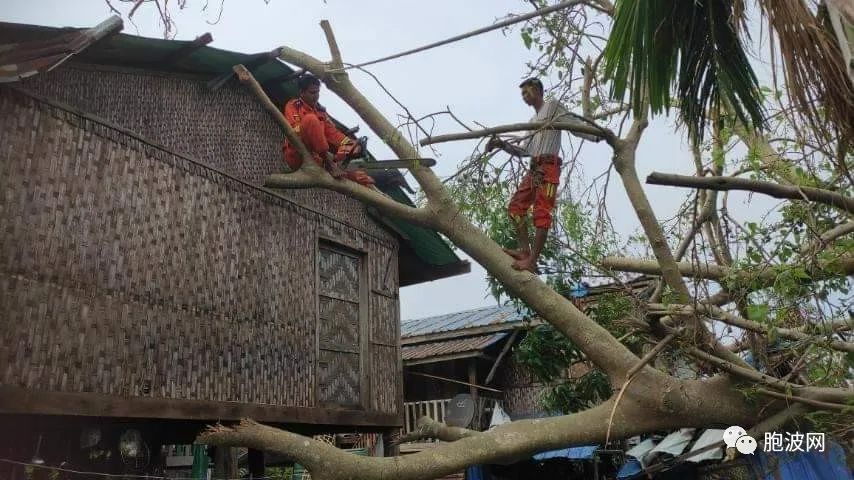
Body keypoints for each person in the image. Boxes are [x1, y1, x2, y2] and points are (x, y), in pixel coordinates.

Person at [486, 77, 587, 273]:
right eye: (522, 94)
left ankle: (532, 260)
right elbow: (524, 151)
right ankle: (525, 251)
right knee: (515, 208)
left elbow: (574, 124)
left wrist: (596, 135)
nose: (524, 96)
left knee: (542, 213)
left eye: (527, 92)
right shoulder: (532, 122)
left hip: (549, 167)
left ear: (538, 90)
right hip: (534, 169)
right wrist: (501, 144)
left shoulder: (552, 106)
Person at [282, 74, 375, 186]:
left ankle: (371, 184)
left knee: (356, 170)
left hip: (316, 158)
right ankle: (330, 163)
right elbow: (295, 130)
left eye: (317, 92)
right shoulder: (293, 105)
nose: (316, 96)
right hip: (296, 154)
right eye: (312, 92)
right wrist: (323, 150)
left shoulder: (321, 114)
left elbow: (333, 134)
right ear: (302, 93)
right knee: (311, 120)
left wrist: (350, 145)